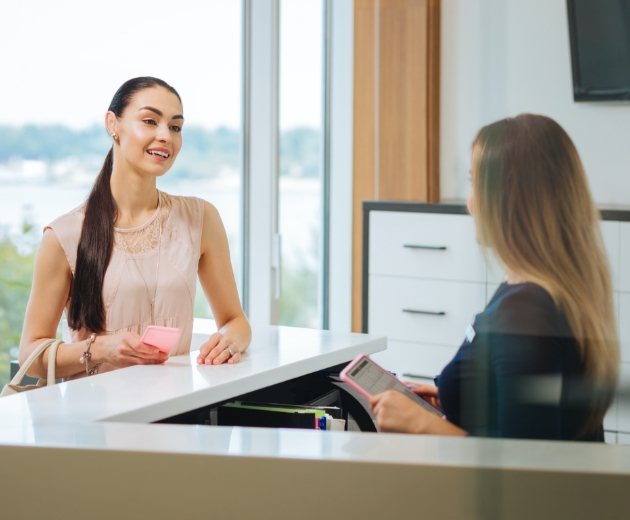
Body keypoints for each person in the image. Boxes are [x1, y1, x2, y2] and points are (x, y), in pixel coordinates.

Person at [370, 114, 619, 441]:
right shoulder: (542, 291)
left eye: (474, 182)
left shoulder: (525, 312)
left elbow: (522, 473)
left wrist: (420, 423)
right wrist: (463, 396)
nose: (470, 204)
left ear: (508, 200)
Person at [19, 76, 251, 379]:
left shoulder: (201, 218)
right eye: (150, 121)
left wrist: (231, 341)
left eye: (175, 127)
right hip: (96, 419)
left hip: (179, 413)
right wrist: (101, 349)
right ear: (112, 124)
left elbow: (236, 320)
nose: (165, 135)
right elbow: (30, 355)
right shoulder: (64, 236)